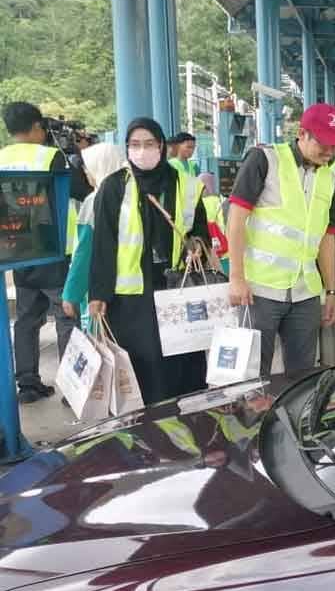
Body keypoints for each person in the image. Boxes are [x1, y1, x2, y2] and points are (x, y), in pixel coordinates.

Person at [88, 118, 211, 404]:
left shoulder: (186, 185)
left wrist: (197, 245)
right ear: (127, 148)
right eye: (135, 145)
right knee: (143, 367)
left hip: (176, 289)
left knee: (182, 363)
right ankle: (147, 435)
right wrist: (98, 294)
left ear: (161, 146)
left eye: (149, 144)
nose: (142, 151)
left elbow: (200, 230)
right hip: (131, 299)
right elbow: (103, 244)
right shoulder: (114, 187)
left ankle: (186, 429)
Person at [226, 102, 335, 377]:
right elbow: (235, 220)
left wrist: (330, 291)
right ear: (302, 134)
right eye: (324, 143)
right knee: (252, 376)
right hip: (259, 292)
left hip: (305, 294)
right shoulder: (264, 159)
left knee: (301, 377)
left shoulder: (331, 178)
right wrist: (236, 278)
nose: (330, 151)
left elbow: (326, 239)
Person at [0, 102, 90, 403]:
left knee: (26, 319)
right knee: (66, 316)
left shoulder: (2, 157)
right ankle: (69, 386)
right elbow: (82, 191)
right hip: (54, 251)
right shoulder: (51, 156)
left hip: (17, 252)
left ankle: (27, 384)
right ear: (38, 127)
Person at [61, 143, 125, 330]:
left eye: (87, 169)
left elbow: (85, 251)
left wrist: (71, 293)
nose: (87, 174)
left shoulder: (95, 200)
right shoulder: (132, 195)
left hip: (99, 290)